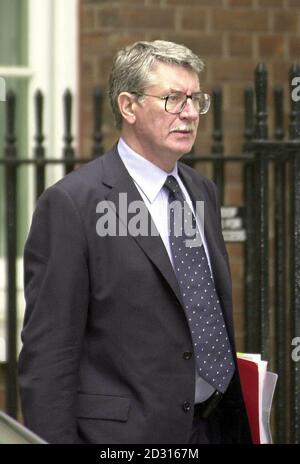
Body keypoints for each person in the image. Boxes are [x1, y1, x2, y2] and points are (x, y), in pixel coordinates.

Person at [18, 40, 252, 444]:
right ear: (128, 106)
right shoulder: (74, 204)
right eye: (173, 99)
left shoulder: (201, 191)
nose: (191, 113)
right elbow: (48, 357)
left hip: (213, 427)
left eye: (196, 99)